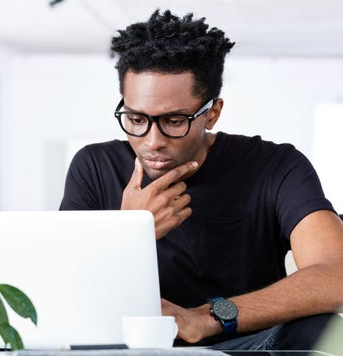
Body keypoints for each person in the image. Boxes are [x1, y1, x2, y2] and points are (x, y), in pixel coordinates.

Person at [60, 9, 343, 351]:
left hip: (242, 343)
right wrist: (131, 231)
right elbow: (63, 293)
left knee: (321, 329)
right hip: (128, 345)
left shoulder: (276, 166)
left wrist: (207, 318)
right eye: (136, 118)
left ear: (212, 112)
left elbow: (335, 275)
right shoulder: (93, 165)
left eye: (174, 121)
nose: (152, 141)